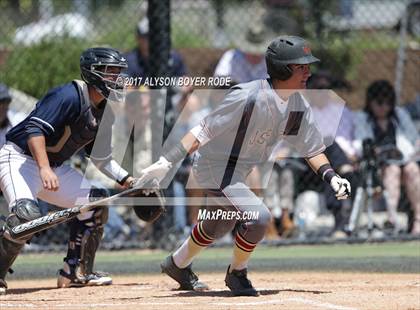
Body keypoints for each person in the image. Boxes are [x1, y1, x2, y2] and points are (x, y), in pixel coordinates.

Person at [138, 35, 351, 296]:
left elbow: (312, 149)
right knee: (258, 217)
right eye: (301, 67)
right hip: (215, 167)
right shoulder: (248, 96)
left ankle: (177, 264)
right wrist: (166, 161)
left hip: (239, 171)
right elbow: (202, 131)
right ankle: (237, 274)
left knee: (221, 223)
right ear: (283, 69)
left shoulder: (297, 105)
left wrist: (331, 176)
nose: (308, 72)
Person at [0, 47, 137, 295]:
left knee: (96, 202)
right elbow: (34, 130)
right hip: (18, 159)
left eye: (119, 72)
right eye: (111, 72)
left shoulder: (105, 109)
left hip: (52, 168)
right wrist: (43, 168)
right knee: (25, 218)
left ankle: (75, 271)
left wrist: (127, 179)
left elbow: (101, 157)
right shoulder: (69, 95)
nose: (118, 78)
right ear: (93, 74)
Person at [353, 80, 420, 235]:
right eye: (379, 103)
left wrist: (403, 152)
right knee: (392, 170)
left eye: (388, 103)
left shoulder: (399, 115)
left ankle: (418, 219)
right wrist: (378, 151)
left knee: (412, 169)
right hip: (377, 166)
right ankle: (392, 218)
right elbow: (360, 143)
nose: (384, 107)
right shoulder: (363, 118)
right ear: (370, 102)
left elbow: (412, 139)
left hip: (404, 160)